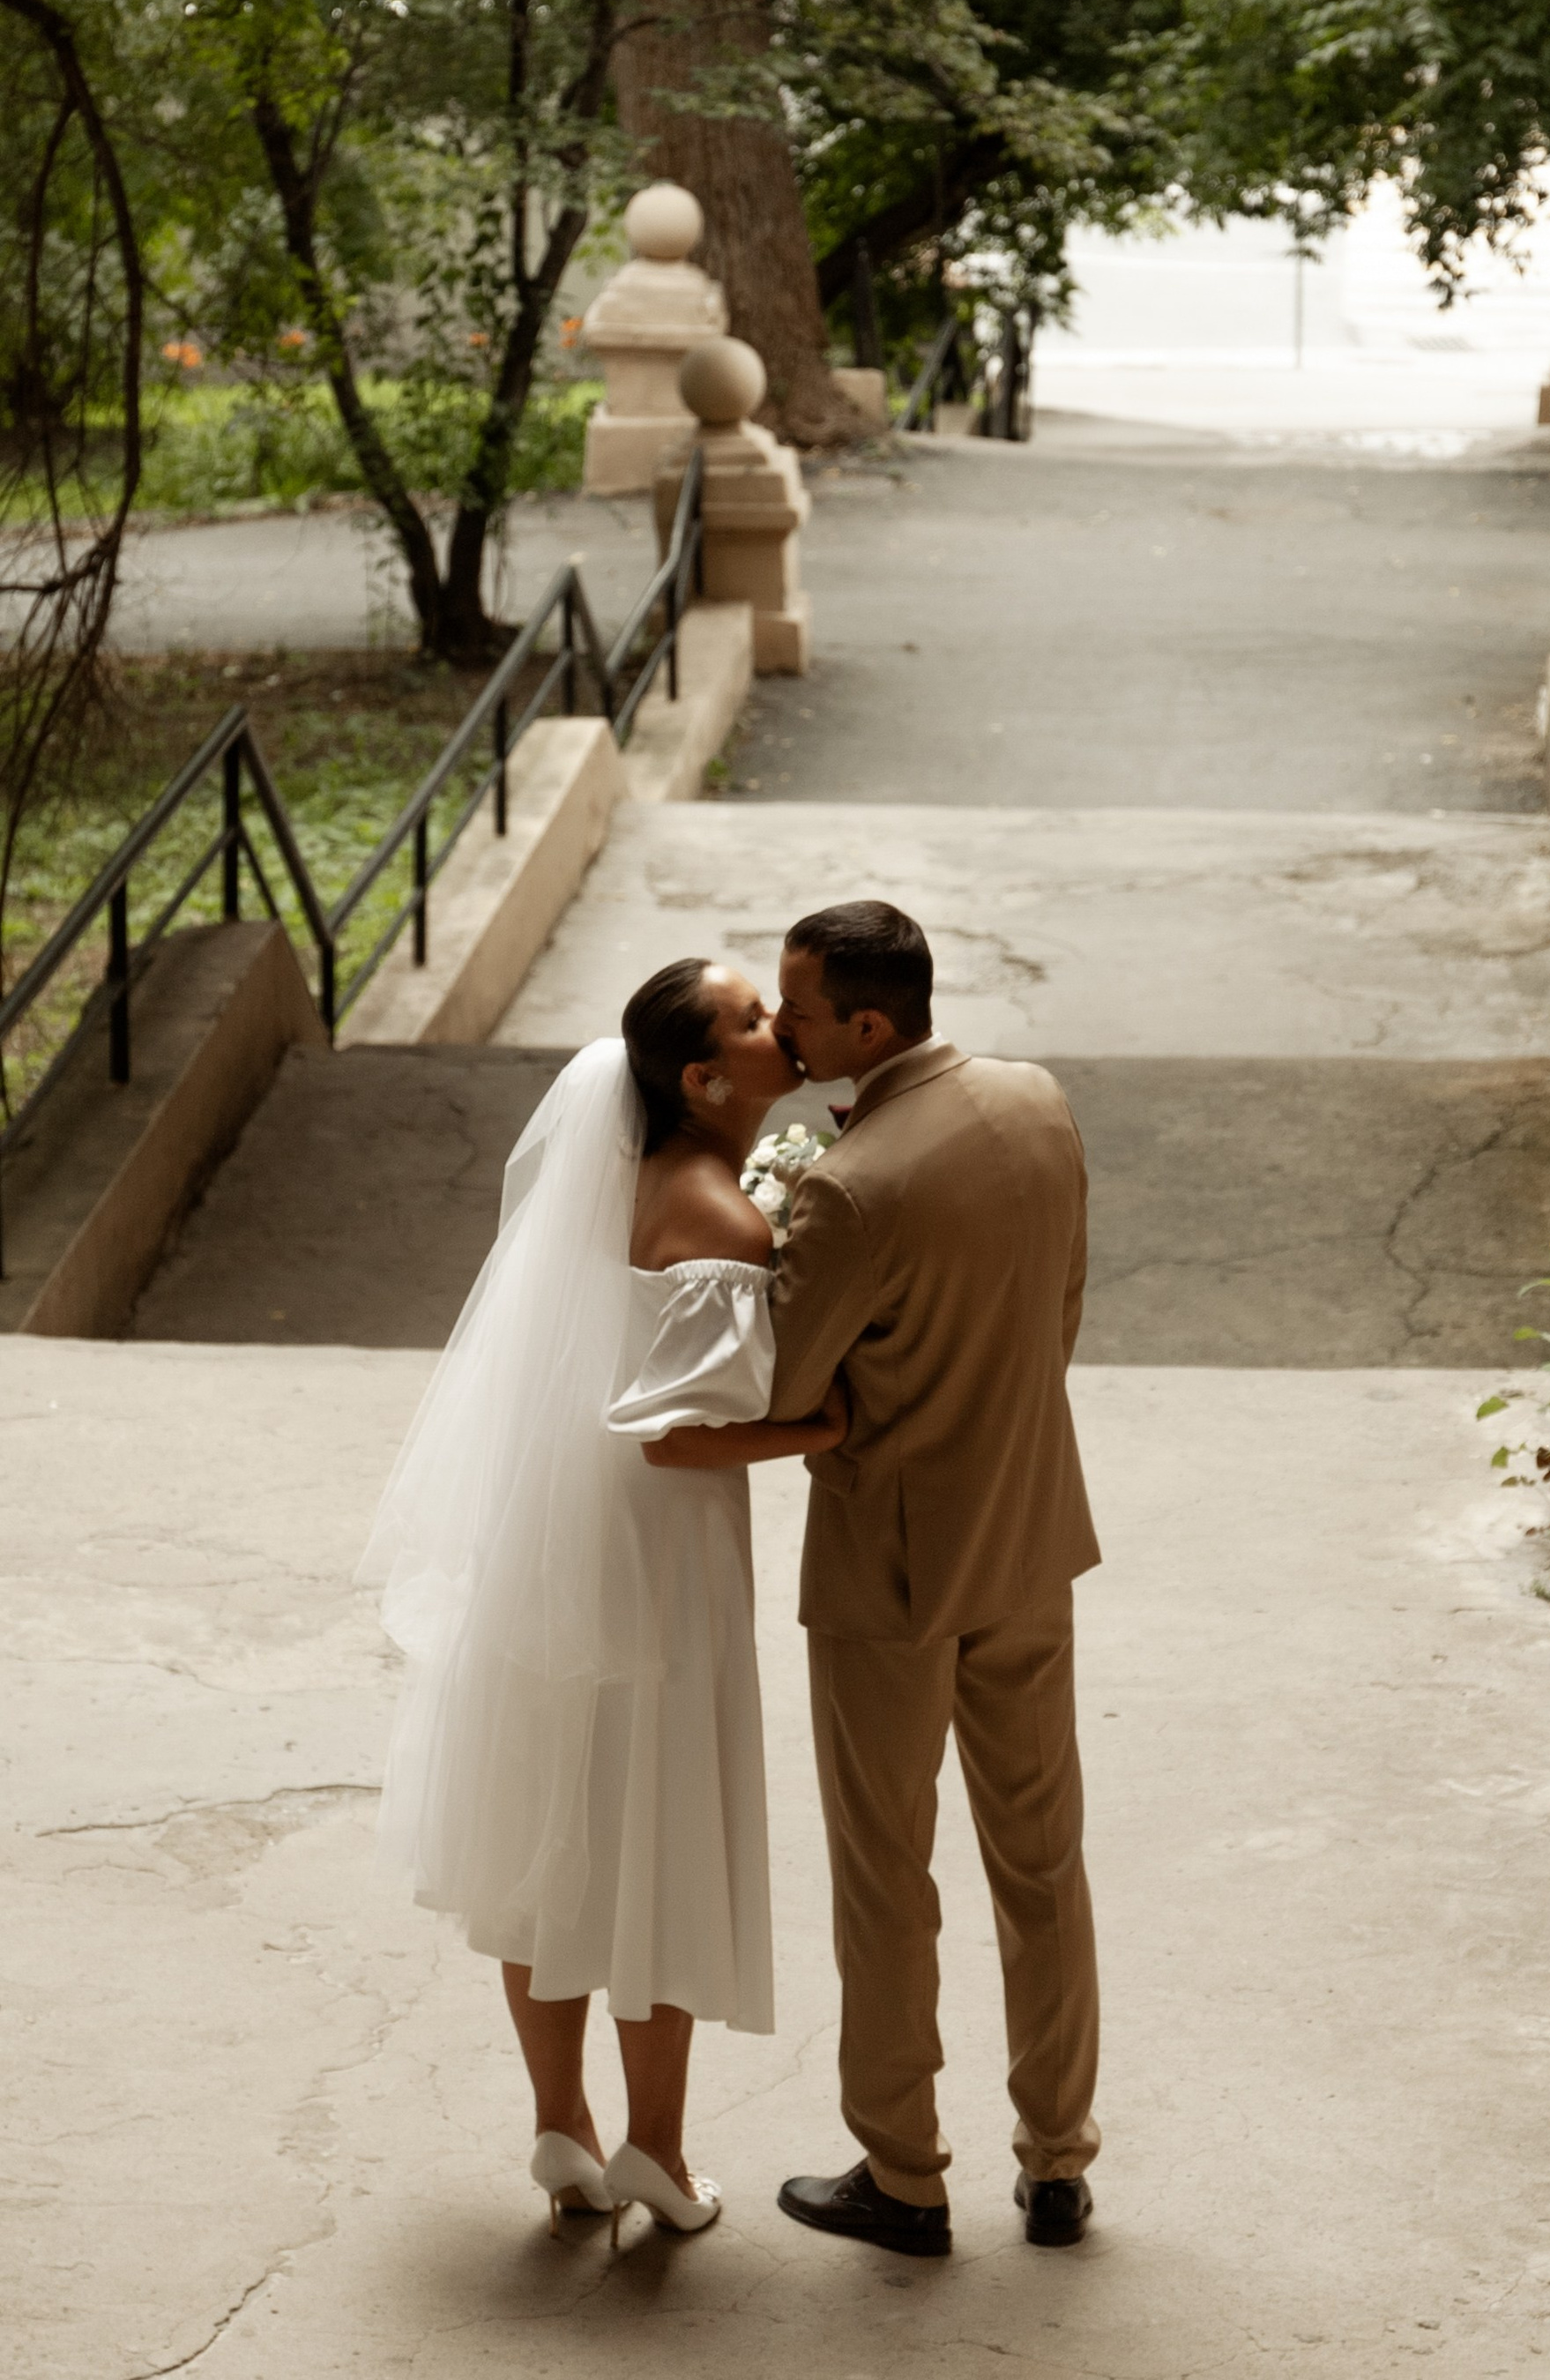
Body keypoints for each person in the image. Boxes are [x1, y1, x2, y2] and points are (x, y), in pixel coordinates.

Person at [643, 899, 1103, 2257]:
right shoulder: (1037, 1101)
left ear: (866, 1024)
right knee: (1043, 1864)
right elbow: (1061, 1309)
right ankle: (1059, 2160)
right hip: (1030, 1535)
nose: (783, 1031)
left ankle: (903, 2176)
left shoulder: (849, 1188)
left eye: (797, 1009)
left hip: (891, 1572)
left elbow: (787, 1387)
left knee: (887, 1878)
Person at [361, 959, 845, 2243]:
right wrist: (824, 1429)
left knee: (551, 1824)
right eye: (754, 1020)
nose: (779, 1026)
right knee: (656, 1831)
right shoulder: (725, 1222)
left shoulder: (610, 1182)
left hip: (550, 1536)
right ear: (703, 1080)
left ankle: (561, 2127)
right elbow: (679, 1436)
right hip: (656, 1557)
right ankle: (659, 2153)